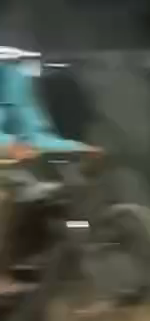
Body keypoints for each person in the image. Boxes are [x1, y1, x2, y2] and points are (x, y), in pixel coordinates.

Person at [0, 47, 95, 291]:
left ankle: (76, 258)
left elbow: (33, 131)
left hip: (15, 170)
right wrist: (9, 146)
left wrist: (75, 147)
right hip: (8, 170)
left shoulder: (11, 76)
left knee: (68, 193)